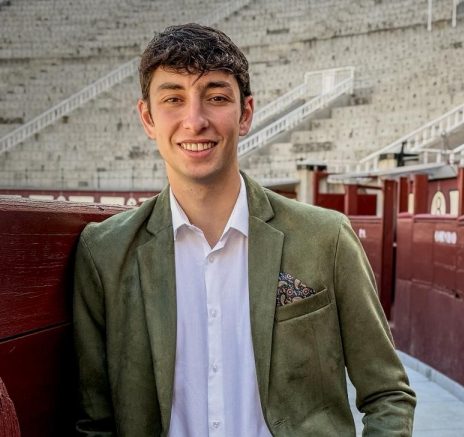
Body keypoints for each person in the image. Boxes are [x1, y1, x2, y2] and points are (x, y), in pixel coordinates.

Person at [73, 23, 416, 436]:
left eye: (216, 97)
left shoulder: (325, 237)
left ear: (246, 113)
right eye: (173, 99)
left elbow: (388, 395)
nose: (194, 120)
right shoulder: (104, 252)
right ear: (147, 118)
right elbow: (95, 420)